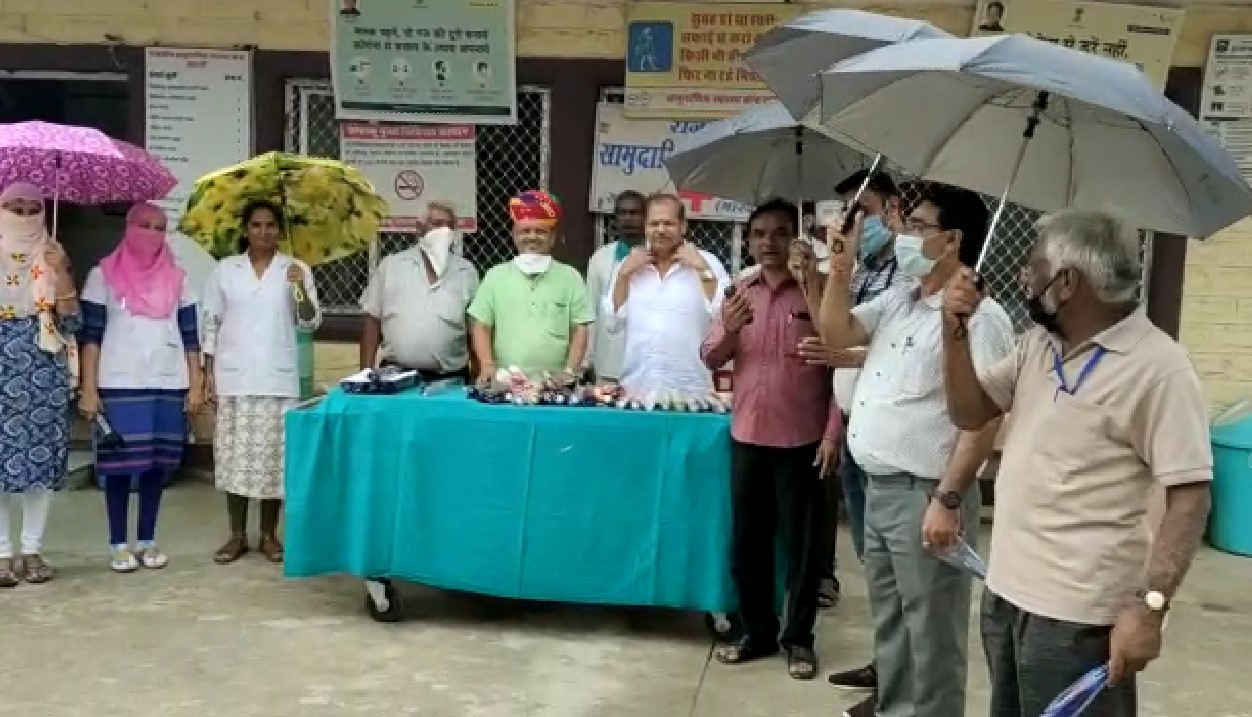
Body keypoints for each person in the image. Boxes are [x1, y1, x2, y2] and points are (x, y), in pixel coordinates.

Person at [941, 210, 1213, 717]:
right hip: (1006, 597)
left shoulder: (1159, 368)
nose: (1024, 276)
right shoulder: (1036, 345)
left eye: (1034, 265)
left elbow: (1190, 495)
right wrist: (952, 333)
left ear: (1066, 283)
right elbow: (971, 411)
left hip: (1078, 622)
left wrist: (1150, 607)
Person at [818, 184, 1015, 717]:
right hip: (882, 490)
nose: (904, 234)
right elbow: (836, 332)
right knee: (893, 627)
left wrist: (949, 498)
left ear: (952, 240)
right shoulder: (903, 298)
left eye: (919, 226)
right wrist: (838, 269)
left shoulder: (983, 317)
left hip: (927, 495)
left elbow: (985, 419)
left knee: (931, 635)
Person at [701, 199, 842, 681]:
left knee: (802, 549)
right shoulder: (739, 292)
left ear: (796, 238)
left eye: (780, 233)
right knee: (749, 544)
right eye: (760, 233)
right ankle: (757, 632)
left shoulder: (818, 291)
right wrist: (731, 328)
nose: (768, 242)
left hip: (802, 441)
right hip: (748, 437)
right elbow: (711, 355)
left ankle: (799, 641)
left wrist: (831, 433)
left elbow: (842, 366)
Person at [822, 171, 912, 689]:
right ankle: (884, 666)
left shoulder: (908, 276)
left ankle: (897, 678)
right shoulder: (861, 271)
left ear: (892, 212)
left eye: (861, 212)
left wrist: (839, 351)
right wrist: (828, 273)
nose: (851, 223)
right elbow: (835, 332)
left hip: (896, 448)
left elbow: (883, 349)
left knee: (903, 578)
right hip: (857, 427)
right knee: (873, 563)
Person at [78, 203, 204, 573]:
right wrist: (88, 387)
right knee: (119, 467)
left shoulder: (180, 278)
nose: (152, 233)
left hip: (168, 382)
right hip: (119, 383)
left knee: (155, 466)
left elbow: (191, 339)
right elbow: (91, 338)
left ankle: (148, 540)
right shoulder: (103, 275)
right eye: (144, 225)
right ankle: (119, 543)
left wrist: (196, 385)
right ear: (128, 227)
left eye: (159, 227)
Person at [202, 199, 322, 565]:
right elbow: (210, 324)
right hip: (234, 378)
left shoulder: (295, 269)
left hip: (276, 378)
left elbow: (309, 321)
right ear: (245, 230)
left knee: (273, 461)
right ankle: (236, 535)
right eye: (256, 225)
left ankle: (269, 535)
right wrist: (206, 375)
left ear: (279, 232)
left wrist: (299, 288)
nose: (264, 232)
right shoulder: (225, 270)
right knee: (235, 459)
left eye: (271, 226)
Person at [0, 182, 80, 587]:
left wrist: (61, 271)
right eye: (16, 207)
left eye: (34, 208)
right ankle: (1, 553)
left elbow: (70, 321)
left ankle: (32, 549)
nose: (26, 214)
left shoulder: (52, 252)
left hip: (42, 370)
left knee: (38, 464)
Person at [606, 193, 730, 392]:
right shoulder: (629, 265)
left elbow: (723, 316)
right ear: (645, 227)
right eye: (654, 224)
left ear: (683, 226)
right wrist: (623, 275)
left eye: (668, 223)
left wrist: (702, 268)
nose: (660, 230)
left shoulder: (708, 262)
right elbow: (612, 323)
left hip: (692, 388)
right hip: (637, 387)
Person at [468, 190, 592, 380]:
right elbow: (481, 325)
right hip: (505, 382)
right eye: (525, 231)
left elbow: (579, 328)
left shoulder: (570, 277)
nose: (532, 237)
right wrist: (487, 365)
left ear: (552, 237)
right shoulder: (495, 276)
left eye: (540, 231)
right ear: (514, 235)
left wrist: (569, 371)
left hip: (554, 384)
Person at [359, 219, 479, 378]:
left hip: (450, 378)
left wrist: (477, 373)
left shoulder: (466, 271)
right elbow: (372, 320)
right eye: (435, 224)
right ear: (419, 229)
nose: (442, 231)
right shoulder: (391, 266)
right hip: (395, 374)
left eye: (447, 225)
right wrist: (364, 374)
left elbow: (475, 327)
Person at [585, 191, 646, 382]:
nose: (628, 218)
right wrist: (588, 359)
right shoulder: (600, 258)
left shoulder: (658, 257)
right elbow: (590, 310)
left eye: (635, 213)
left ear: (646, 217)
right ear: (615, 218)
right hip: (609, 365)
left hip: (646, 367)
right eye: (622, 213)